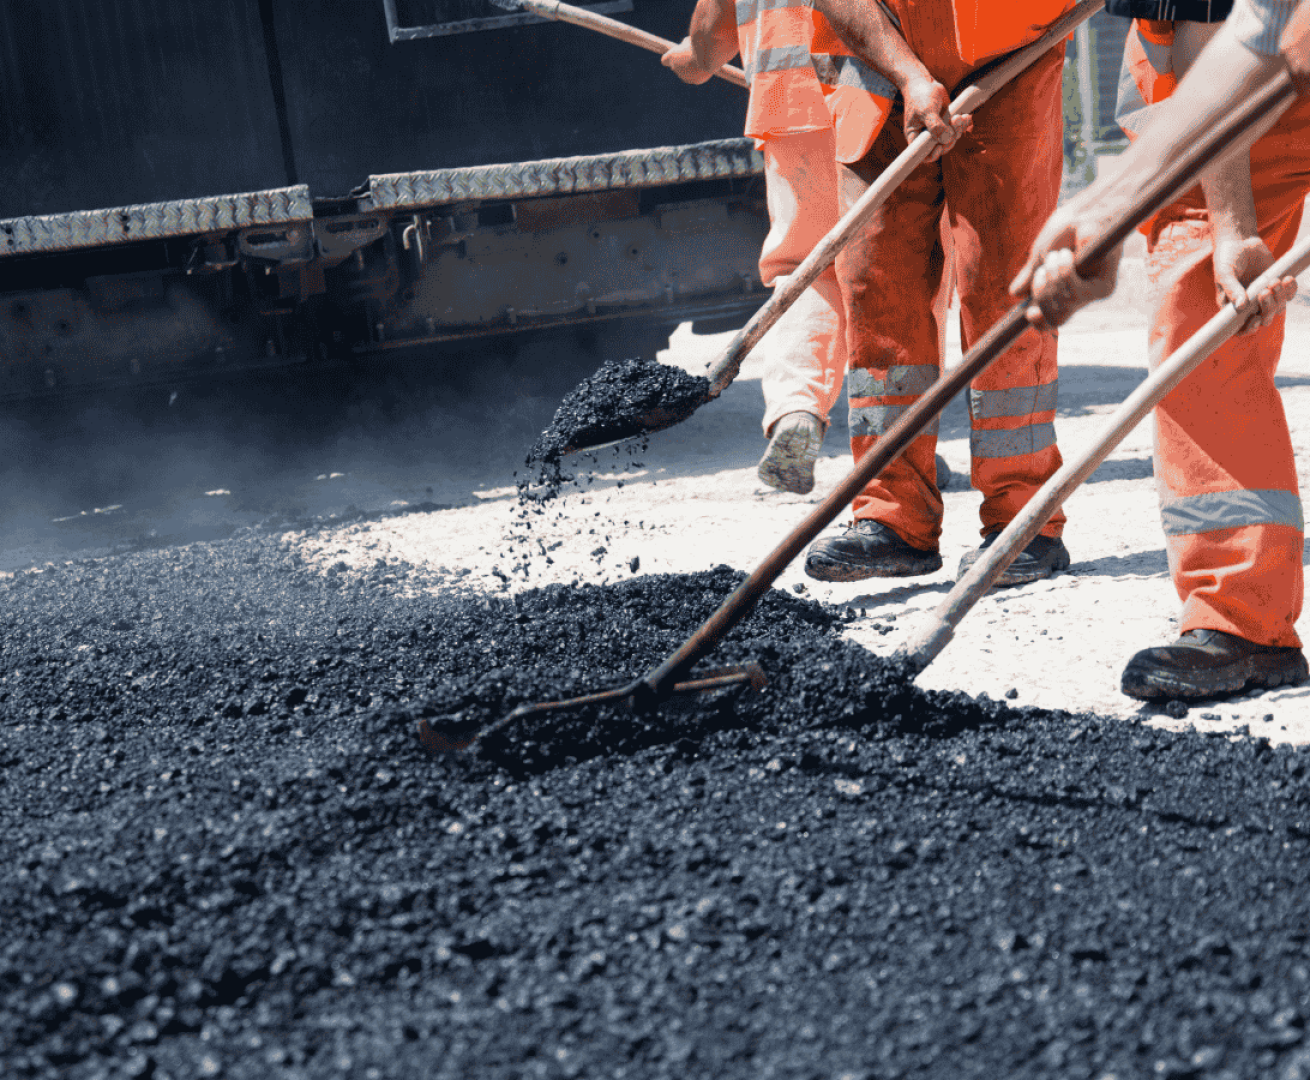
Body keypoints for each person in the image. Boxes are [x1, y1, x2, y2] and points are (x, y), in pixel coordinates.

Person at [1014, 0, 1310, 700]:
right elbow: (1246, 34)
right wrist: (1107, 210)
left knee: (1203, 288)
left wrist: (1224, 224)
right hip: (1254, 88)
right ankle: (1239, 616)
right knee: (1200, 312)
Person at [801, 0, 1075, 586]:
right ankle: (892, 519)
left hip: (1008, 61)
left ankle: (1022, 521)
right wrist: (909, 74)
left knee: (1003, 292)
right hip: (874, 70)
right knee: (877, 293)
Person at [663, 0, 848, 495]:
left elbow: (711, 31)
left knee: (807, 270)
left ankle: (797, 410)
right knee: (901, 269)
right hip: (882, 103)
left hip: (792, 113)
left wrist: (693, 59)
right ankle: (901, 447)